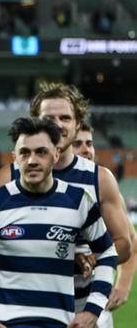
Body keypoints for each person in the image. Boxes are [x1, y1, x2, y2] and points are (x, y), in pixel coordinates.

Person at [0, 83, 134, 328]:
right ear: (35, 121)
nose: (57, 124)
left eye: (65, 118)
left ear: (77, 124)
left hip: (82, 310)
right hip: (21, 308)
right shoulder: (6, 177)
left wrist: (91, 259)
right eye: (49, 118)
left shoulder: (99, 178)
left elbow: (124, 244)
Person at [0, 117, 117, 328]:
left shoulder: (79, 201)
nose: (32, 160)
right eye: (24, 153)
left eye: (41, 152)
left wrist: (93, 309)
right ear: (15, 158)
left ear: (56, 154)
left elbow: (107, 254)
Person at [72, 122, 137, 318]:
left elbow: (130, 240)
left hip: (94, 305)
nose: (86, 149)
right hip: (46, 304)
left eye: (89, 143)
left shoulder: (102, 185)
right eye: (78, 143)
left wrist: (123, 285)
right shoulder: (41, 187)